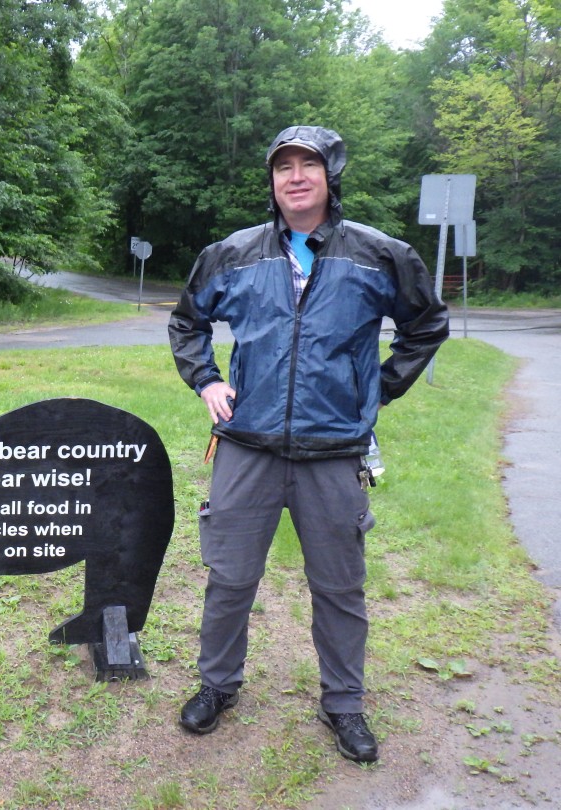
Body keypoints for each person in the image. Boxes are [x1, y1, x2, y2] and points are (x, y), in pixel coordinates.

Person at [167, 126, 448, 762]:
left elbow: (427, 322)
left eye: (308, 165)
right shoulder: (233, 254)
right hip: (247, 446)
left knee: (340, 586)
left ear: (330, 176)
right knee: (230, 578)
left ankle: (344, 704)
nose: (295, 176)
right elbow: (188, 321)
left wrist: (376, 389)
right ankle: (218, 686)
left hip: (334, 452)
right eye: (283, 166)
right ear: (271, 180)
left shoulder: (378, 255)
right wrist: (207, 378)